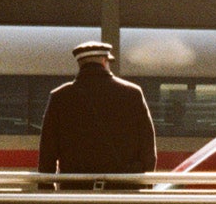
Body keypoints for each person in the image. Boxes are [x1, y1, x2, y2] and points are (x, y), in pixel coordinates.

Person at [36, 42, 157, 177]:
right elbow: (148, 150)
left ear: (80, 64)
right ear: (105, 62)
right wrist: (144, 186)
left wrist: (48, 192)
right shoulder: (133, 93)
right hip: (124, 189)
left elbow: (47, 154)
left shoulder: (59, 97)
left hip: (75, 189)